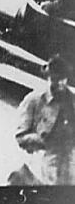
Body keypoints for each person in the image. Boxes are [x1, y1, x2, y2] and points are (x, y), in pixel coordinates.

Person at [15, 56, 75, 185]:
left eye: (63, 79)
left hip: (70, 157)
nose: (59, 83)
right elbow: (20, 136)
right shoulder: (34, 100)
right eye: (55, 79)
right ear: (48, 78)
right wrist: (43, 141)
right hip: (45, 157)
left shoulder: (73, 100)